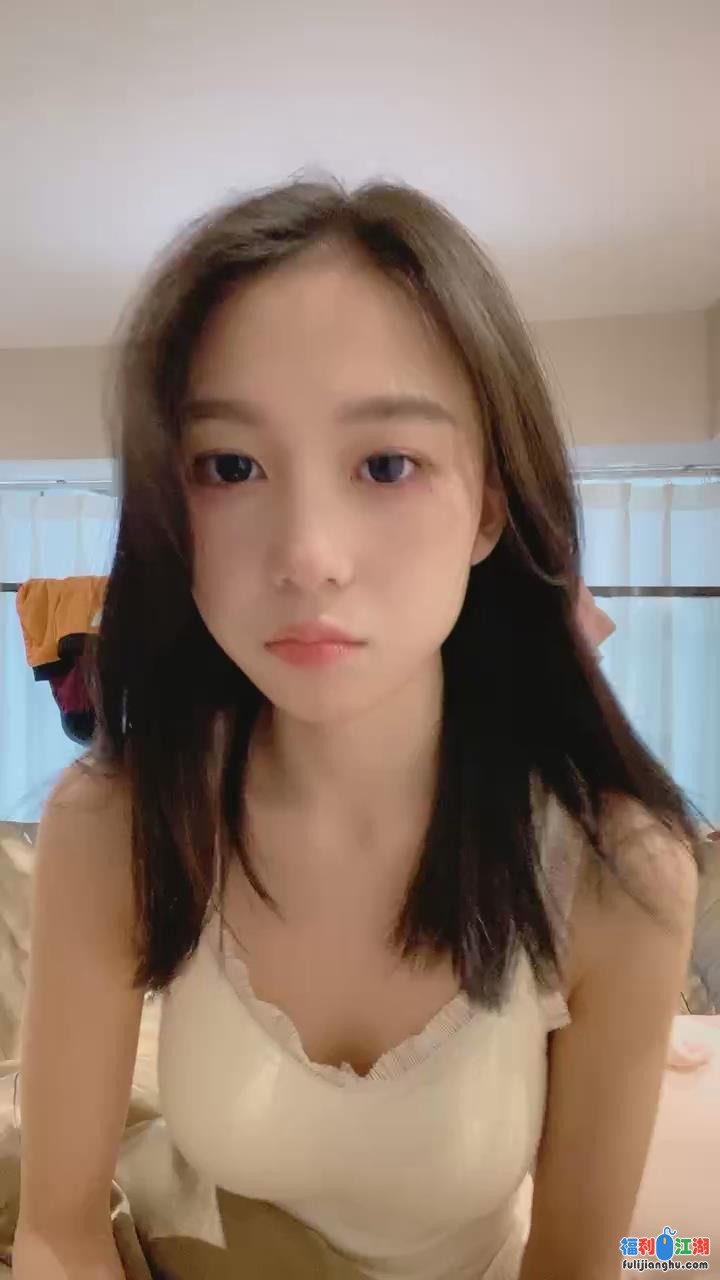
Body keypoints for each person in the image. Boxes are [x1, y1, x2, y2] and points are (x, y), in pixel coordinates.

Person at [13, 180, 700, 1280]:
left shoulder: (619, 874)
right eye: (230, 466)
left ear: (487, 508)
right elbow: (57, 1230)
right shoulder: (117, 825)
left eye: (387, 464)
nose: (308, 555)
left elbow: (577, 1262)